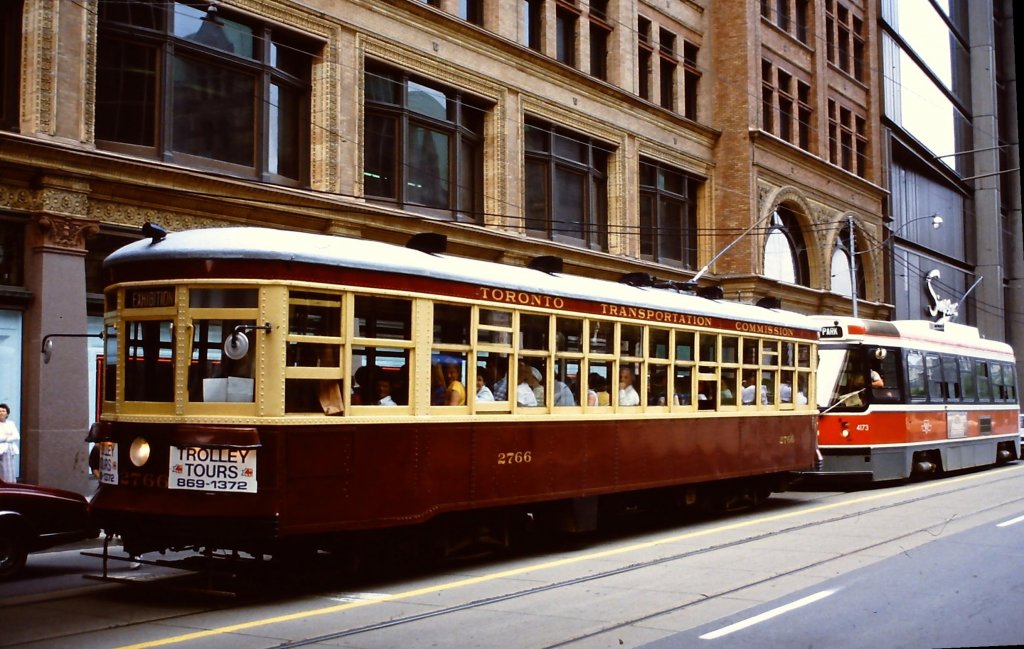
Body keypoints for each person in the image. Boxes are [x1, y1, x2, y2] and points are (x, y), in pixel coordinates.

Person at [0, 403, 19, 482]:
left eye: (3, 411)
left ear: (7, 413)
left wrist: (5, 438)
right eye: (0, 411)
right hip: (1, 451)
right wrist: (8, 436)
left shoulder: (11, 423)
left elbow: (17, 436)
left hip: (9, 451)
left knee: (10, 470)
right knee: (2, 470)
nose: (1, 413)